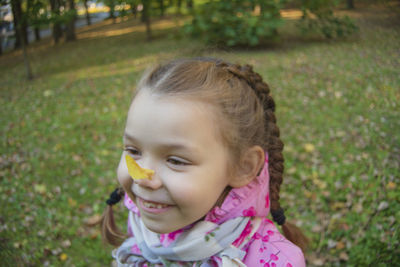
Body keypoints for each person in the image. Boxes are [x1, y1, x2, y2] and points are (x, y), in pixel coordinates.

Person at [99, 58, 308, 266]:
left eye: (175, 161)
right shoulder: (143, 218)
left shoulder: (275, 261)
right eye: (133, 150)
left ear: (243, 167)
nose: (142, 177)